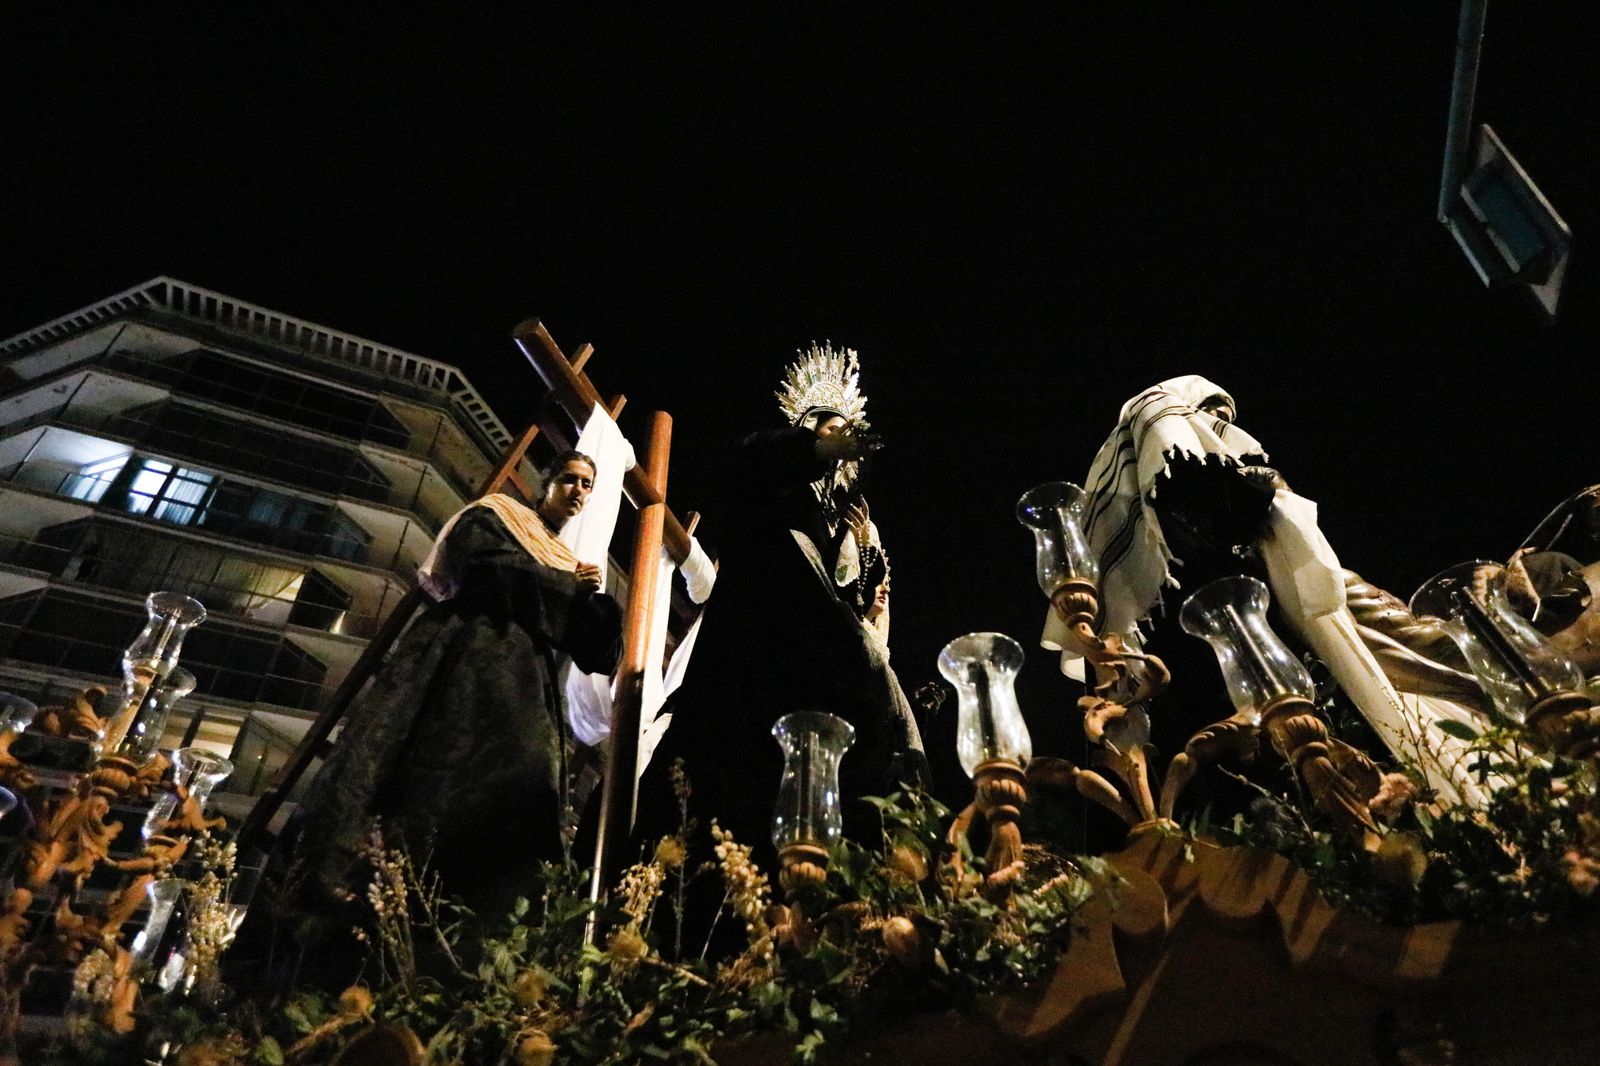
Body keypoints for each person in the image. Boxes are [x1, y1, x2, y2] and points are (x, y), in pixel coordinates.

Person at [281, 451, 623, 946]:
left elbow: (600, 649)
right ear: (545, 482)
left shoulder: (568, 561)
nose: (578, 492)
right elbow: (481, 570)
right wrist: (562, 586)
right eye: (569, 479)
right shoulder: (496, 515)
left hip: (526, 683)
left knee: (518, 786)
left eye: (588, 485)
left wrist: (586, 595)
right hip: (459, 658)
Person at [631, 344, 926, 899]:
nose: (836, 442)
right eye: (823, 428)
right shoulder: (766, 478)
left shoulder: (835, 525)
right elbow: (759, 455)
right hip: (752, 656)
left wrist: (865, 577)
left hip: (818, 668)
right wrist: (821, 444)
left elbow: (849, 597)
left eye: (843, 434)